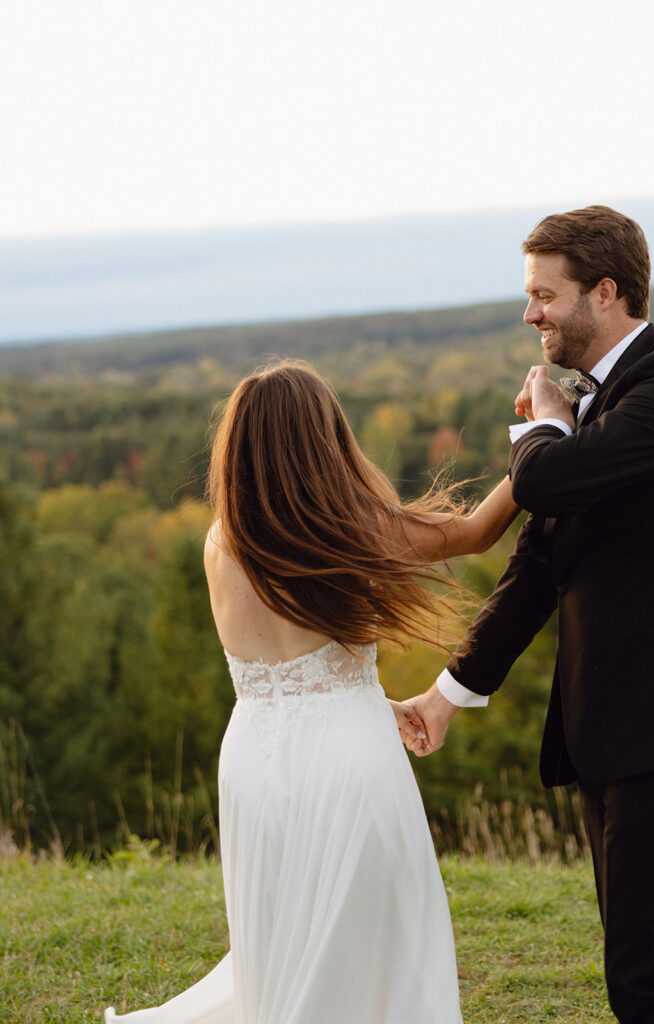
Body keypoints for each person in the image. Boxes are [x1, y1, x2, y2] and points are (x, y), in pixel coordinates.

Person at [405, 205, 654, 1024]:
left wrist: (537, 416)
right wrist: (446, 693)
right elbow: (537, 567)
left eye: (543, 293)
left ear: (604, 292)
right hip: (615, 726)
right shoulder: (602, 412)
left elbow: (540, 484)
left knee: (648, 969)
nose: (529, 313)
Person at [104, 360, 519, 1024]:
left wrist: (352, 695)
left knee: (281, 937)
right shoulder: (339, 527)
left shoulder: (221, 541)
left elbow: (289, 675)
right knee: (376, 936)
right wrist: (543, 439)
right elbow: (473, 534)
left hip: (250, 760)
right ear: (321, 439)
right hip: (345, 757)